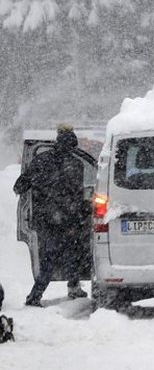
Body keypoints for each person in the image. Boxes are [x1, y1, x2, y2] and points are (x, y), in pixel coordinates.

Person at [14, 124, 87, 306]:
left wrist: (36, 186)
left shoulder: (41, 160)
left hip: (46, 219)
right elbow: (78, 195)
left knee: (49, 257)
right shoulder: (76, 164)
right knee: (74, 253)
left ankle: (36, 295)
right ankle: (72, 288)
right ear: (73, 146)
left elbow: (20, 186)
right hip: (68, 220)